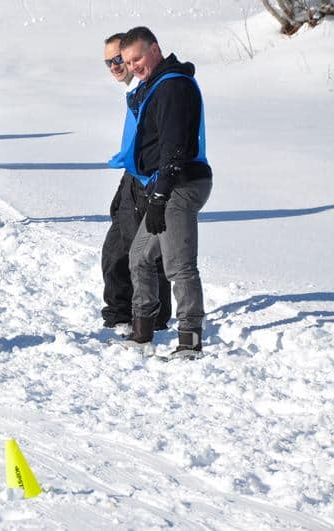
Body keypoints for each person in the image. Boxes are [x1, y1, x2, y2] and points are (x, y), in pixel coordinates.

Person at [116, 27, 212, 354]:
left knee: (178, 264)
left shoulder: (173, 87)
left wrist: (160, 195)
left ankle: (190, 340)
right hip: (165, 183)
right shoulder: (156, 86)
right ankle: (142, 332)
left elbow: (175, 148)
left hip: (181, 183)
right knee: (139, 256)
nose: (133, 66)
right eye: (128, 62)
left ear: (155, 49)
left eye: (137, 57)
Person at [102, 33, 171, 330]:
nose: (116, 66)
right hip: (130, 177)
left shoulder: (148, 87)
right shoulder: (134, 90)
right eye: (110, 62)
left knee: (143, 252)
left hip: (148, 181)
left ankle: (154, 316)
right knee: (115, 249)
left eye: (120, 59)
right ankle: (119, 312)